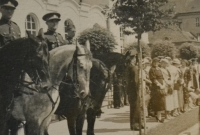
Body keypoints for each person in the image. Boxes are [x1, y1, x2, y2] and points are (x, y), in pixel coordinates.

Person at [0, 0, 22, 134]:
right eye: (7, 9)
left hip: (16, 71)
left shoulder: (16, 27)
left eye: (12, 9)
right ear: (1, 9)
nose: (9, 12)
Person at [149, 57, 165, 123]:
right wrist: (160, 85)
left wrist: (163, 84)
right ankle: (158, 117)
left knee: (161, 102)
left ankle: (159, 116)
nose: (156, 63)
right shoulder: (152, 69)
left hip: (161, 86)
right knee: (158, 102)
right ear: (152, 62)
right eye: (155, 62)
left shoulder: (159, 69)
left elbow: (162, 77)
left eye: (157, 62)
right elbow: (153, 79)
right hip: (156, 87)